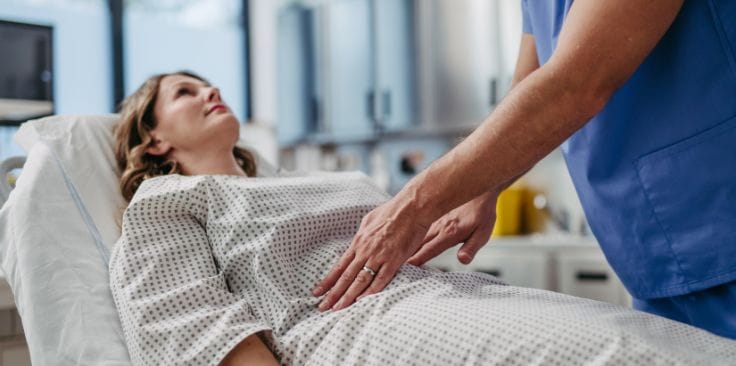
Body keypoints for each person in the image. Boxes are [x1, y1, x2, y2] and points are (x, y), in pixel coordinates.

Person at [110, 71, 736, 366]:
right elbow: (195, 335)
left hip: (456, 296)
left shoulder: (308, 184)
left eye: (206, 82)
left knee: (663, 345)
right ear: (155, 141)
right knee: (617, 354)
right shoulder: (166, 205)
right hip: (356, 329)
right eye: (184, 93)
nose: (207, 91)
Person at [314, 0, 736, 340]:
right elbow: (531, 81)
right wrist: (481, 190)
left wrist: (413, 204)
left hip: (717, 217)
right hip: (656, 251)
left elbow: (575, 83)